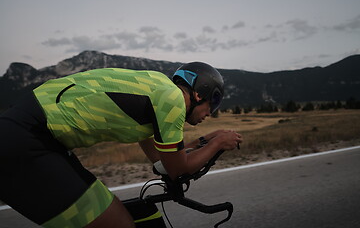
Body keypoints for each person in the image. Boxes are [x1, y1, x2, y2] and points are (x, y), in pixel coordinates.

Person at [0, 61, 242, 227]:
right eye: (215, 101)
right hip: (27, 141)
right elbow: (179, 169)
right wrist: (220, 141)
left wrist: (203, 141)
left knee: (115, 213)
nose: (211, 113)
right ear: (200, 93)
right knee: (118, 223)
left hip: (33, 137)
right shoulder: (173, 100)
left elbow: (162, 161)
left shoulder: (157, 93)